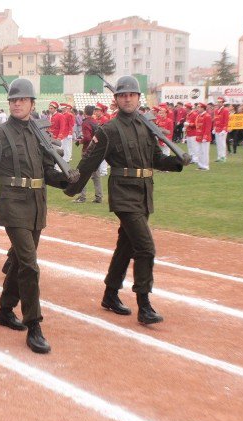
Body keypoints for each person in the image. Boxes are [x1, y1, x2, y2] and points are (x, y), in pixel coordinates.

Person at [0, 78, 74, 354]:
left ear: (33, 103)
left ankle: (5, 309)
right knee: (30, 265)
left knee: (19, 261)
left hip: (36, 205)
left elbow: (47, 171)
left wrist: (68, 182)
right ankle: (34, 324)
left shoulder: (38, 134)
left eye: (22, 99)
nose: (17, 103)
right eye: (13, 100)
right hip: (13, 205)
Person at [64, 75, 188, 325]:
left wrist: (175, 163)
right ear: (116, 99)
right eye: (122, 95)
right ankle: (144, 304)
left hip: (144, 192)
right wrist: (70, 186)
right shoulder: (108, 130)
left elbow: (154, 158)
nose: (127, 98)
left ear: (139, 98)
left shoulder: (145, 127)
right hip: (123, 194)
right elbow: (89, 161)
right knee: (145, 247)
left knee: (127, 246)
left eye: (131, 94)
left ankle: (110, 295)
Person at [72, 105, 102, 204]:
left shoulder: (86, 123)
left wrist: (80, 141)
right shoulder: (94, 122)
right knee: (96, 175)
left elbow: (88, 138)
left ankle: (82, 197)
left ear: (85, 112)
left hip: (87, 151)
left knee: (82, 174)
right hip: (96, 150)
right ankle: (99, 196)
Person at [194, 102, 212, 171]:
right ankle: (200, 165)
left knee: (204, 152)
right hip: (199, 136)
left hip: (205, 137)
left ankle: (205, 166)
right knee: (199, 151)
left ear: (202, 108)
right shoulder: (198, 116)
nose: (197, 108)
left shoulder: (207, 116)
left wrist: (205, 136)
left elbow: (208, 127)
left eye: (199, 107)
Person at [213, 97, 230, 162]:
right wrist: (214, 127)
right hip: (217, 129)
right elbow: (215, 119)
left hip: (222, 130)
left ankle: (223, 157)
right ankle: (219, 156)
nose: (219, 103)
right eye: (218, 102)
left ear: (223, 103)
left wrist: (224, 129)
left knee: (222, 144)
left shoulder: (225, 110)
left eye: (220, 102)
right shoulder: (216, 110)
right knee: (218, 143)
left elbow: (226, 120)